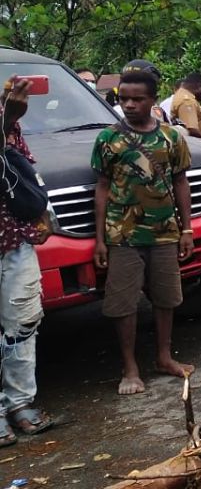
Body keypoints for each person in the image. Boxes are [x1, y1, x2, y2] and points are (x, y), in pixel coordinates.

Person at [91, 68, 194, 395]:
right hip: (123, 235)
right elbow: (103, 187)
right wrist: (100, 240)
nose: (130, 104)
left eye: (138, 99)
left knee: (166, 297)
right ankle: (130, 368)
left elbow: (181, 182)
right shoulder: (108, 139)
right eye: (124, 99)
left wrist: (187, 229)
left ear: (153, 99)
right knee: (123, 302)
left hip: (164, 232)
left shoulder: (171, 137)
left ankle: (164, 357)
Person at [0, 77, 53, 443]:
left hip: (13, 237)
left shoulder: (9, 119)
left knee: (22, 321)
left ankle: (19, 402)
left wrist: (44, 210)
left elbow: (22, 166)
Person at [169, 73, 201, 139]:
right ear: (198, 86)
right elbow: (192, 130)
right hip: (200, 146)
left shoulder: (183, 95)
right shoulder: (187, 101)